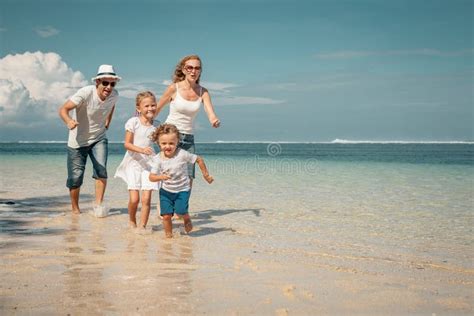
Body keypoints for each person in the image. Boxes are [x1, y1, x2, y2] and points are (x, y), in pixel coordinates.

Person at [58, 64, 120, 215]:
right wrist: (69, 122)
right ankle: (75, 209)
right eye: (105, 83)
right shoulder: (85, 93)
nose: (109, 87)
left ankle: (98, 206)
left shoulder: (114, 95)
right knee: (75, 177)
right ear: (97, 82)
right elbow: (63, 109)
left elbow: (111, 107)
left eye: (112, 83)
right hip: (77, 141)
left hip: (98, 138)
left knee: (101, 170)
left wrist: (108, 122)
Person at [156, 54, 220, 180]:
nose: (193, 71)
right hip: (170, 137)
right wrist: (140, 121)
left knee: (188, 178)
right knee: (169, 177)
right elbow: (157, 109)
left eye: (197, 68)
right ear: (184, 70)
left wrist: (214, 120)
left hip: (189, 139)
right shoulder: (174, 88)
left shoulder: (203, 92)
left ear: (200, 71)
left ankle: (185, 201)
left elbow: (210, 112)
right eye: (189, 68)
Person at [149, 123, 214, 238]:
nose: (167, 146)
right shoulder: (158, 159)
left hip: (182, 190)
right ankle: (168, 237)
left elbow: (199, 159)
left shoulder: (182, 154)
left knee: (180, 211)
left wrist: (206, 175)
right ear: (158, 143)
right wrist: (161, 177)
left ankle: (186, 217)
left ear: (177, 142)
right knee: (166, 216)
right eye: (164, 143)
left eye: (171, 143)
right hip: (166, 192)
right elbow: (152, 177)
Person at [114, 91, 160, 231]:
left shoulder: (157, 125)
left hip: (150, 164)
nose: (150, 108)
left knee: (146, 199)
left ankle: (142, 227)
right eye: (146, 106)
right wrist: (141, 150)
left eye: (153, 105)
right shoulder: (133, 122)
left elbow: (161, 144)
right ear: (138, 108)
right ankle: (132, 220)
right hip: (133, 163)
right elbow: (127, 144)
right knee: (135, 199)